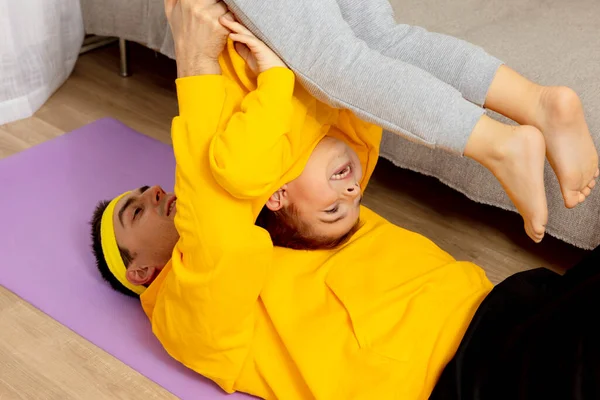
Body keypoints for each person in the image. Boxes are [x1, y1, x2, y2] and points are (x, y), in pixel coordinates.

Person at [89, 2, 600, 399]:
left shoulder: (284, 212)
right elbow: (215, 238)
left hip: (508, 303)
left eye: (145, 190)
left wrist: (266, 70)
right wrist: (195, 64)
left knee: (364, 46)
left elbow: (350, 115)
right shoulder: (182, 321)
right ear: (141, 274)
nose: (156, 191)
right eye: (134, 210)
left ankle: (535, 107)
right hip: (459, 379)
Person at [220, 0, 599, 244]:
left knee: (336, 63)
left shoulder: (256, 151)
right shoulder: (327, 136)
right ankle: (535, 102)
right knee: (379, 39)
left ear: (277, 197)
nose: (352, 192)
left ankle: (499, 144)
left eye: (332, 209)